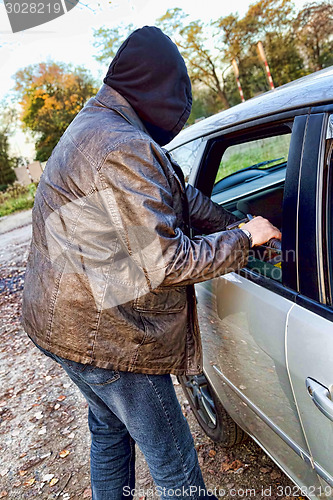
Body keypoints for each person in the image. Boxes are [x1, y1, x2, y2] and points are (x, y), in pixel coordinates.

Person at [21, 26, 281, 500]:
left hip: (61, 321)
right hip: (105, 333)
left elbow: (173, 196)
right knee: (176, 466)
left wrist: (231, 220)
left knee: (108, 431)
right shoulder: (123, 146)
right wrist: (244, 238)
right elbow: (165, 261)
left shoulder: (98, 123)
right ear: (158, 87)